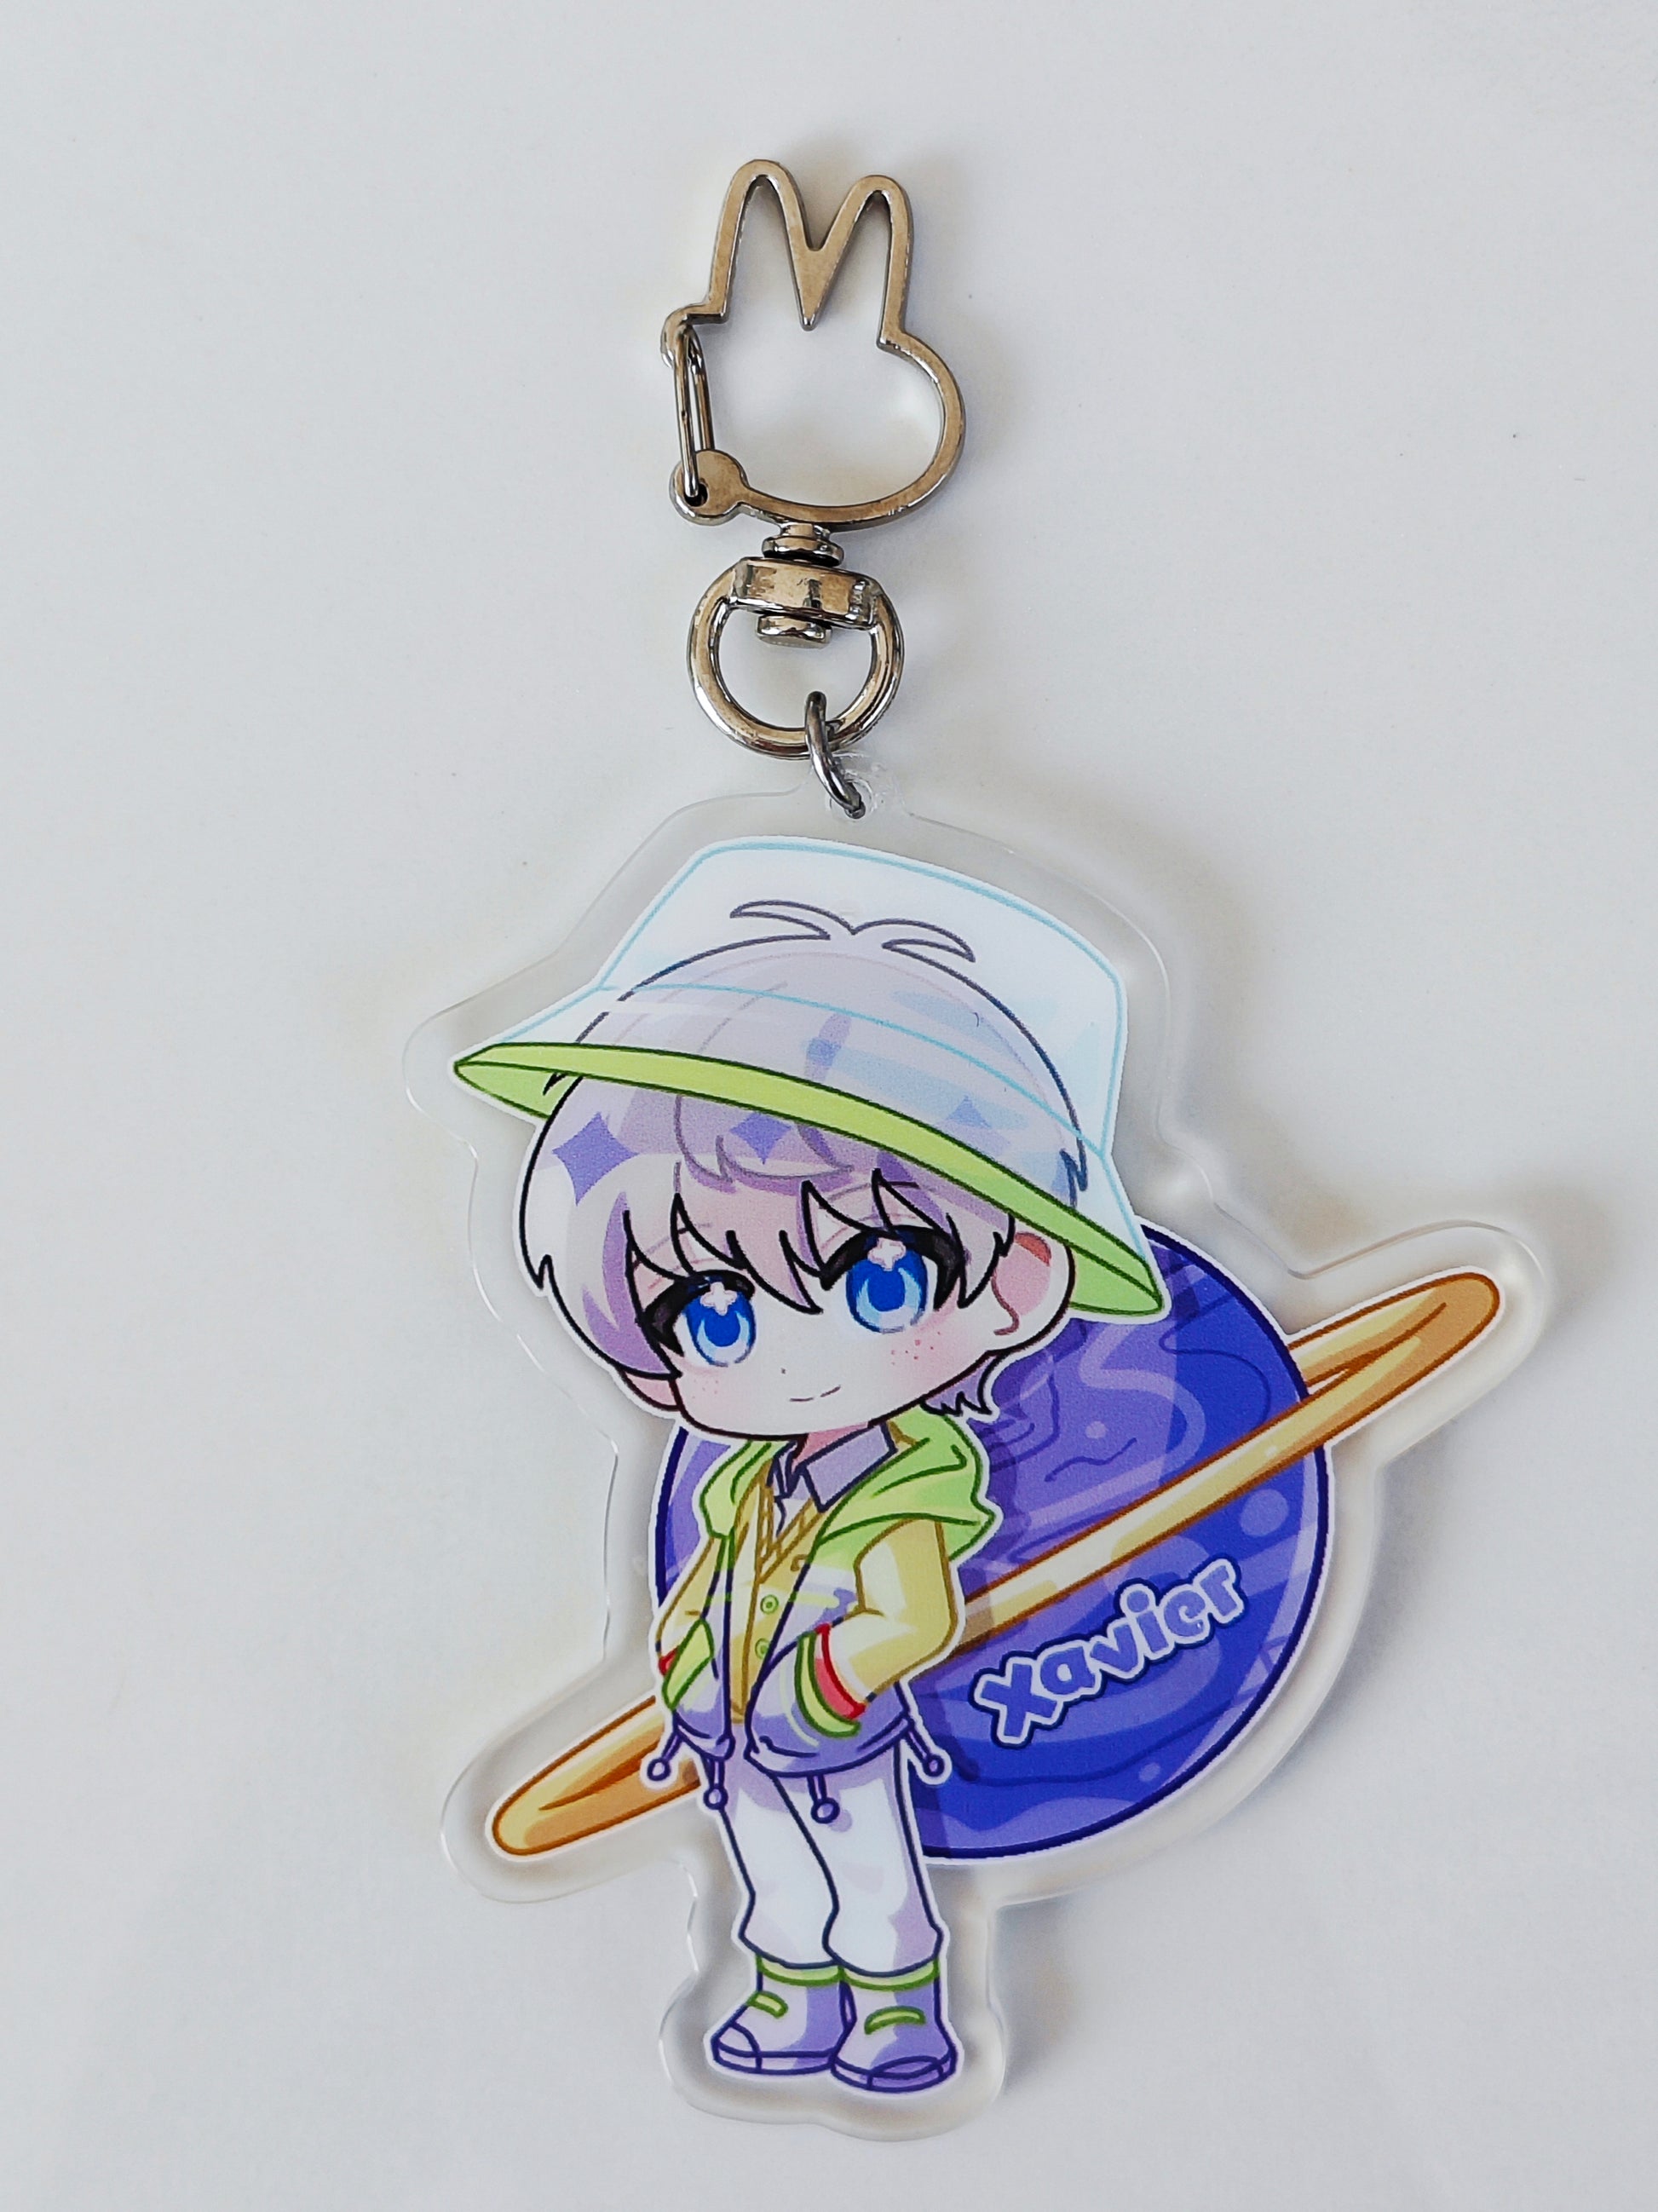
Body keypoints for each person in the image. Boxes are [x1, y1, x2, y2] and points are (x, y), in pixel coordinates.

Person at [457, 844, 1166, 2093]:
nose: (790, 1354)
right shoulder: (744, 1486)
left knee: (873, 1872)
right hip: (735, 1727)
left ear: (1013, 1281)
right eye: (711, 1313)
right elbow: (711, 1583)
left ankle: (898, 2011)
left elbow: (919, 1615)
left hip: (833, 1728)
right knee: (775, 1874)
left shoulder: (903, 1487)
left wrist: (822, 1684)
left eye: (876, 1281)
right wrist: (689, 1665)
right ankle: (789, 1993)